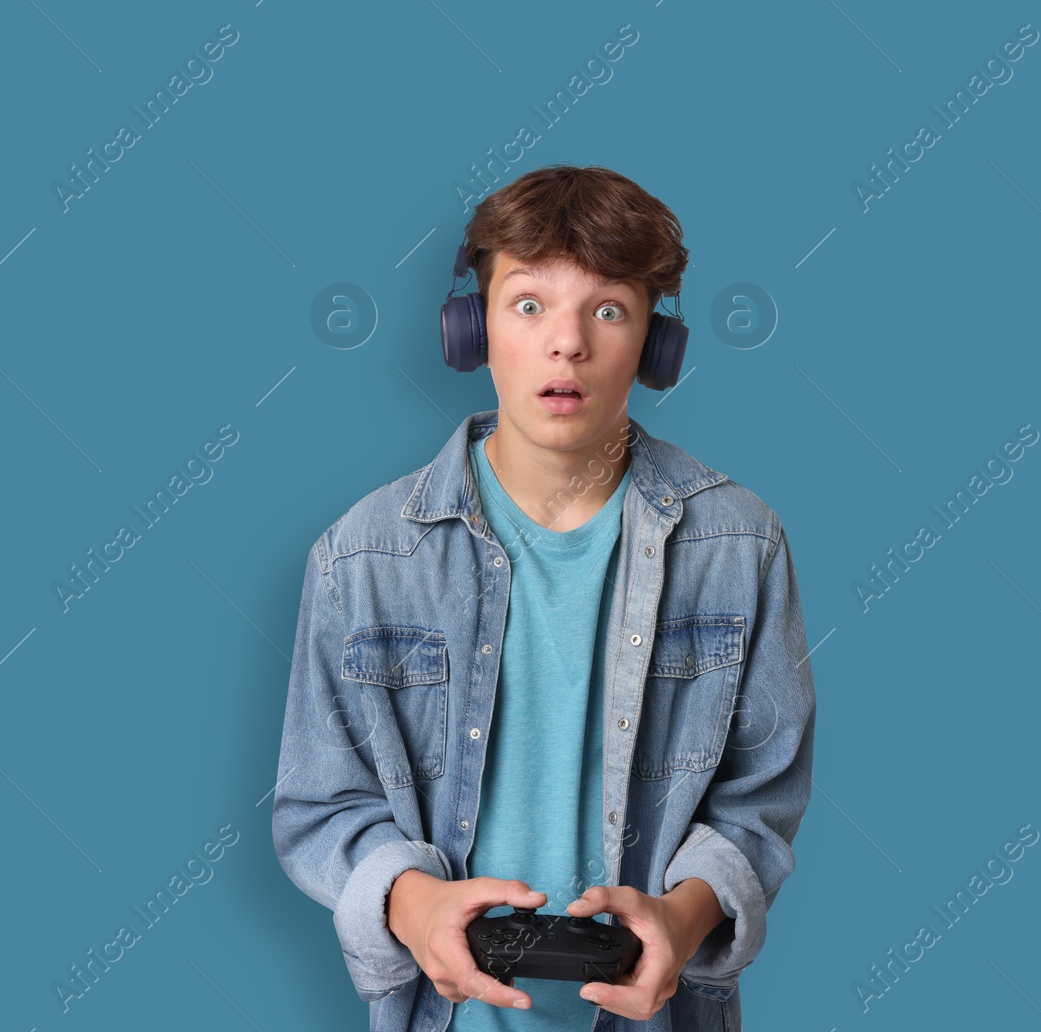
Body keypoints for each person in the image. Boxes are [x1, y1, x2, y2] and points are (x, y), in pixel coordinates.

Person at [271, 165, 815, 1031]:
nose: (568, 345)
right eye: (528, 304)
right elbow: (320, 805)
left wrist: (684, 916)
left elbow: (758, 796)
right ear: (471, 328)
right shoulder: (362, 557)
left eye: (608, 310)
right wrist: (410, 904)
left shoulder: (740, 545)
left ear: (654, 345)